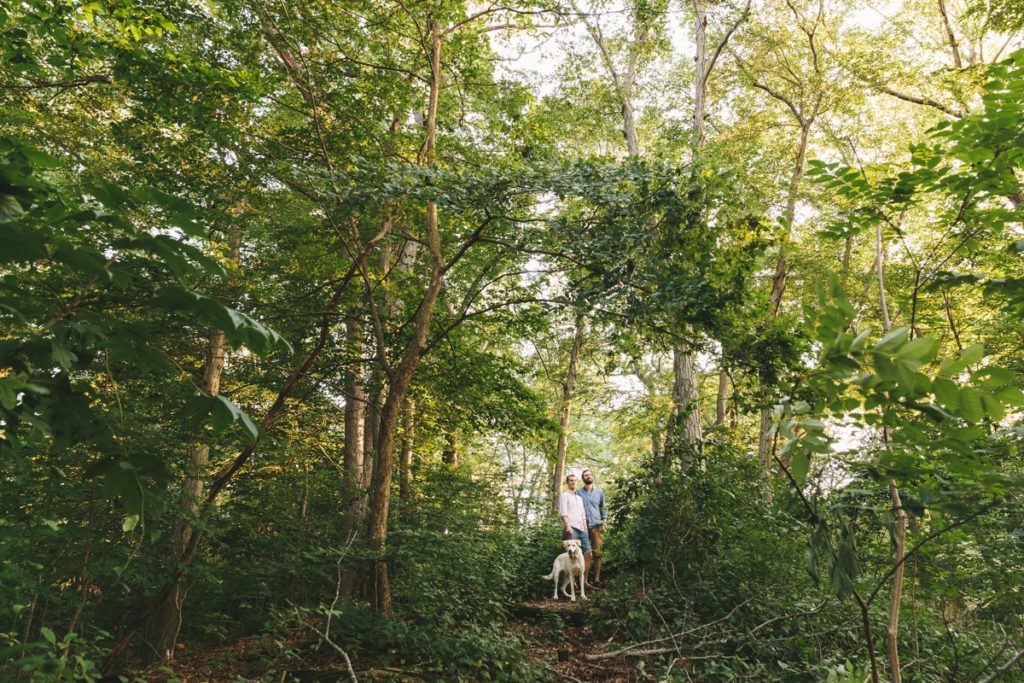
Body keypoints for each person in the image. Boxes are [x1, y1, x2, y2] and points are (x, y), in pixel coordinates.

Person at [578, 468, 607, 587]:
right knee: (585, 554)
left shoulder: (599, 492)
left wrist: (604, 522)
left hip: (596, 526)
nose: (588, 476)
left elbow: (603, 508)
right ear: (583, 479)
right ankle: (584, 581)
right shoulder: (578, 493)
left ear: (592, 477)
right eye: (586, 475)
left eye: (590, 475)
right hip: (583, 526)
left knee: (597, 554)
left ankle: (596, 579)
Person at [558, 473, 591, 566]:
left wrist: (585, 529)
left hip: (582, 529)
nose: (573, 482)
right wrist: (568, 526)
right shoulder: (564, 496)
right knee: (571, 556)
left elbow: (583, 515)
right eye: (571, 480)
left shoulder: (579, 498)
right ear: (567, 483)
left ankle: (584, 580)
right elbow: (563, 513)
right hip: (572, 528)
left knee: (587, 553)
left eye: (575, 480)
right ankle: (571, 580)